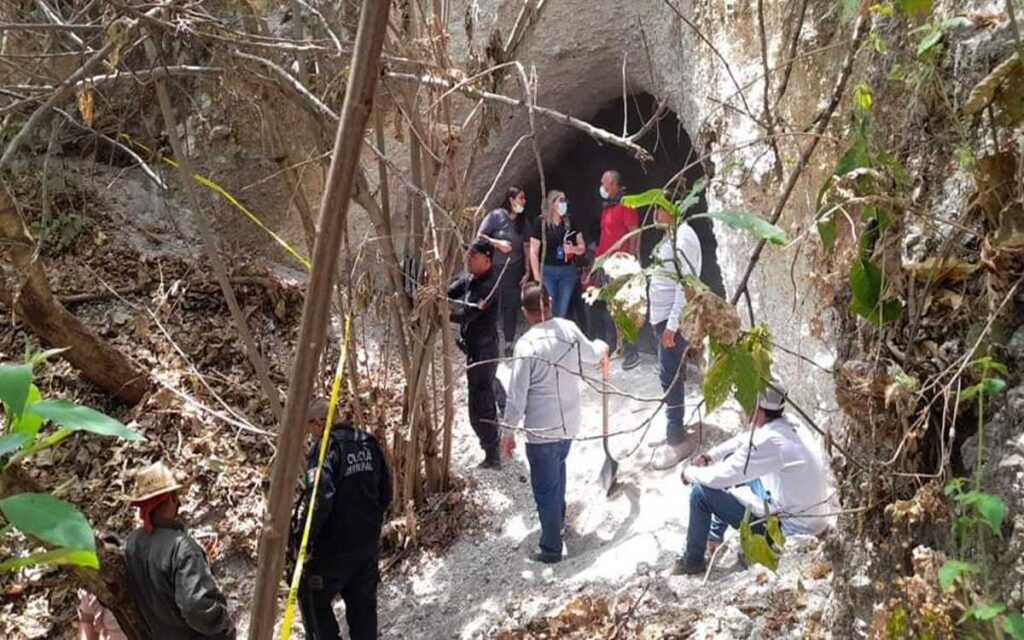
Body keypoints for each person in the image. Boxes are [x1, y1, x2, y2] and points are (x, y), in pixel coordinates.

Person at [674, 379, 830, 575]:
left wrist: (689, 473)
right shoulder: (791, 423)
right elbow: (744, 441)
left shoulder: (768, 442)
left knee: (700, 494)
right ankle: (714, 537)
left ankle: (692, 561)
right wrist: (710, 456)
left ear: (758, 407)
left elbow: (719, 478)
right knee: (734, 463)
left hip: (786, 532)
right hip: (810, 520)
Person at [500, 283, 609, 563]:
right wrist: (603, 346)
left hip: (541, 430)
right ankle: (557, 521)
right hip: (569, 424)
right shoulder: (568, 329)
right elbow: (592, 355)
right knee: (558, 469)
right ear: (549, 303)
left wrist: (507, 432)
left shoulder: (526, 345)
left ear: (525, 312)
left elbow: (517, 396)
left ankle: (550, 548)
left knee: (545, 488)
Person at [292, 397, 392, 640]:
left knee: (312, 601)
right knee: (363, 611)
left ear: (318, 423)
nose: (310, 433)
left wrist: (303, 538)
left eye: (309, 426)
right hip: (367, 546)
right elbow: (386, 493)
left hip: (334, 551)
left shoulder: (325, 449)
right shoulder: (367, 442)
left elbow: (320, 499)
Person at [124, 462, 235, 640]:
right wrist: (222, 620)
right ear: (169, 500)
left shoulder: (133, 541)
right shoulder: (182, 547)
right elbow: (194, 606)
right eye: (175, 496)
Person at [649, 206, 703, 469]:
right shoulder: (671, 236)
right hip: (664, 321)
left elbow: (686, 286)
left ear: (671, 209)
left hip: (673, 323)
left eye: (659, 208)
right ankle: (675, 426)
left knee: (669, 377)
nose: (655, 213)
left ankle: (676, 438)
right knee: (670, 374)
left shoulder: (684, 237)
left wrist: (671, 326)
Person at [448, 239, 503, 468]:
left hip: (483, 349)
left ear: (487, 261)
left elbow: (465, 314)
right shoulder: (471, 275)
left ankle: (492, 453)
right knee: (486, 388)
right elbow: (452, 291)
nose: (468, 259)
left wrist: (441, 312)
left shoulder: (488, 286)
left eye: (473, 256)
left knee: (480, 403)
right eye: (468, 255)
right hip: (474, 348)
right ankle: (503, 403)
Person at [592, 170, 641, 370]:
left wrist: (631, 260)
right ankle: (614, 347)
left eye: (604, 183)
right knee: (609, 310)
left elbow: (634, 232)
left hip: (621, 265)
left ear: (613, 184)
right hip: (606, 265)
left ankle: (632, 353)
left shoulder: (626, 203)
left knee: (625, 311)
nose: (602, 186)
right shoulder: (608, 206)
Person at [477, 186, 532, 356]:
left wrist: (528, 271)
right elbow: (480, 236)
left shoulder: (523, 221)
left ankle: (508, 343)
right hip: (494, 269)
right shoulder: (495, 216)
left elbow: (527, 246)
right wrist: (497, 243)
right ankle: (488, 341)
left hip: (514, 270)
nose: (523, 202)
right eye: (521, 198)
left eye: (524, 198)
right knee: (491, 305)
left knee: (511, 307)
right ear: (511, 199)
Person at [529, 190, 585, 318]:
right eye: (561, 200)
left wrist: (573, 250)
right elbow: (533, 251)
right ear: (552, 203)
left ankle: (559, 335)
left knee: (562, 310)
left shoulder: (570, 221)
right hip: (548, 271)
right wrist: (537, 277)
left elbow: (582, 247)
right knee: (549, 306)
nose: (564, 203)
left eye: (565, 200)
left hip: (567, 271)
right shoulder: (541, 223)